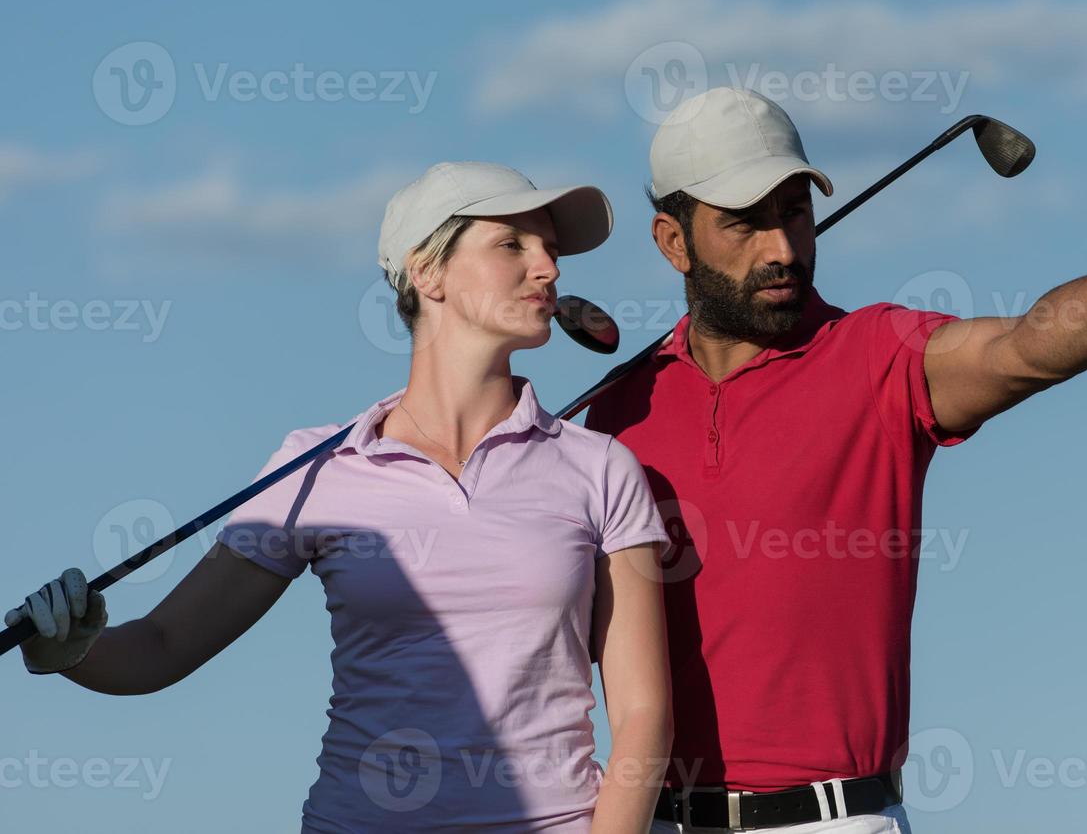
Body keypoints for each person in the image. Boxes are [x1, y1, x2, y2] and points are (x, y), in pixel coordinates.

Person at [584, 87, 1087, 833]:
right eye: (744, 224)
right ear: (672, 242)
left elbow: (1020, 349)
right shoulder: (614, 414)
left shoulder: (876, 354)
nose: (780, 249)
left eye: (795, 214)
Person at [6, 163, 674, 834]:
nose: (548, 269)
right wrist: (72, 651)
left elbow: (643, 713)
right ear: (428, 273)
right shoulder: (318, 465)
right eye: (513, 245)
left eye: (551, 251)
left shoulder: (599, 466)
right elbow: (162, 643)